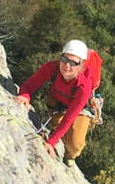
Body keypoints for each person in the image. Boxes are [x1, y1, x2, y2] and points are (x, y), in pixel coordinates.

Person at [14, 39, 102, 167]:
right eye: (65, 60)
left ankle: (70, 155)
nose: (67, 66)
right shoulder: (52, 68)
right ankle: (58, 130)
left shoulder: (84, 86)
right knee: (57, 123)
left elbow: (69, 117)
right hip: (59, 101)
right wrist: (25, 95)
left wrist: (51, 142)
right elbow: (29, 85)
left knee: (75, 143)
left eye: (73, 63)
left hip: (80, 108)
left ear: (81, 65)